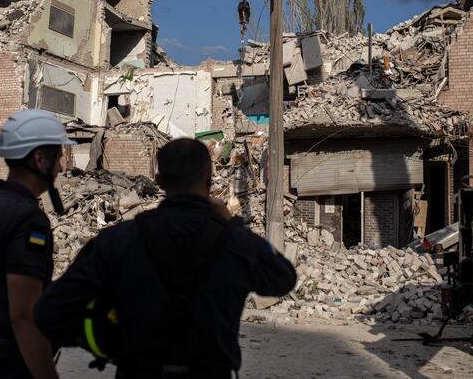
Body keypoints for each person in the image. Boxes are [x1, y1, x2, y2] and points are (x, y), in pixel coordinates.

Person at [33, 138, 297, 378]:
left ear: (158, 180)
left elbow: (50, 311)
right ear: (209, 179)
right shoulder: (235, 242)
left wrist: (106, 344)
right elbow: (282, 279)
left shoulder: (118, 240)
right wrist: (232, 223)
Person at [0, 109, 73, 379]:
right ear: (39, 158)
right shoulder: (28, 218)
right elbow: (23, 315)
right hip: (7, 362)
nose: (61, 168)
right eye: (58, 158)